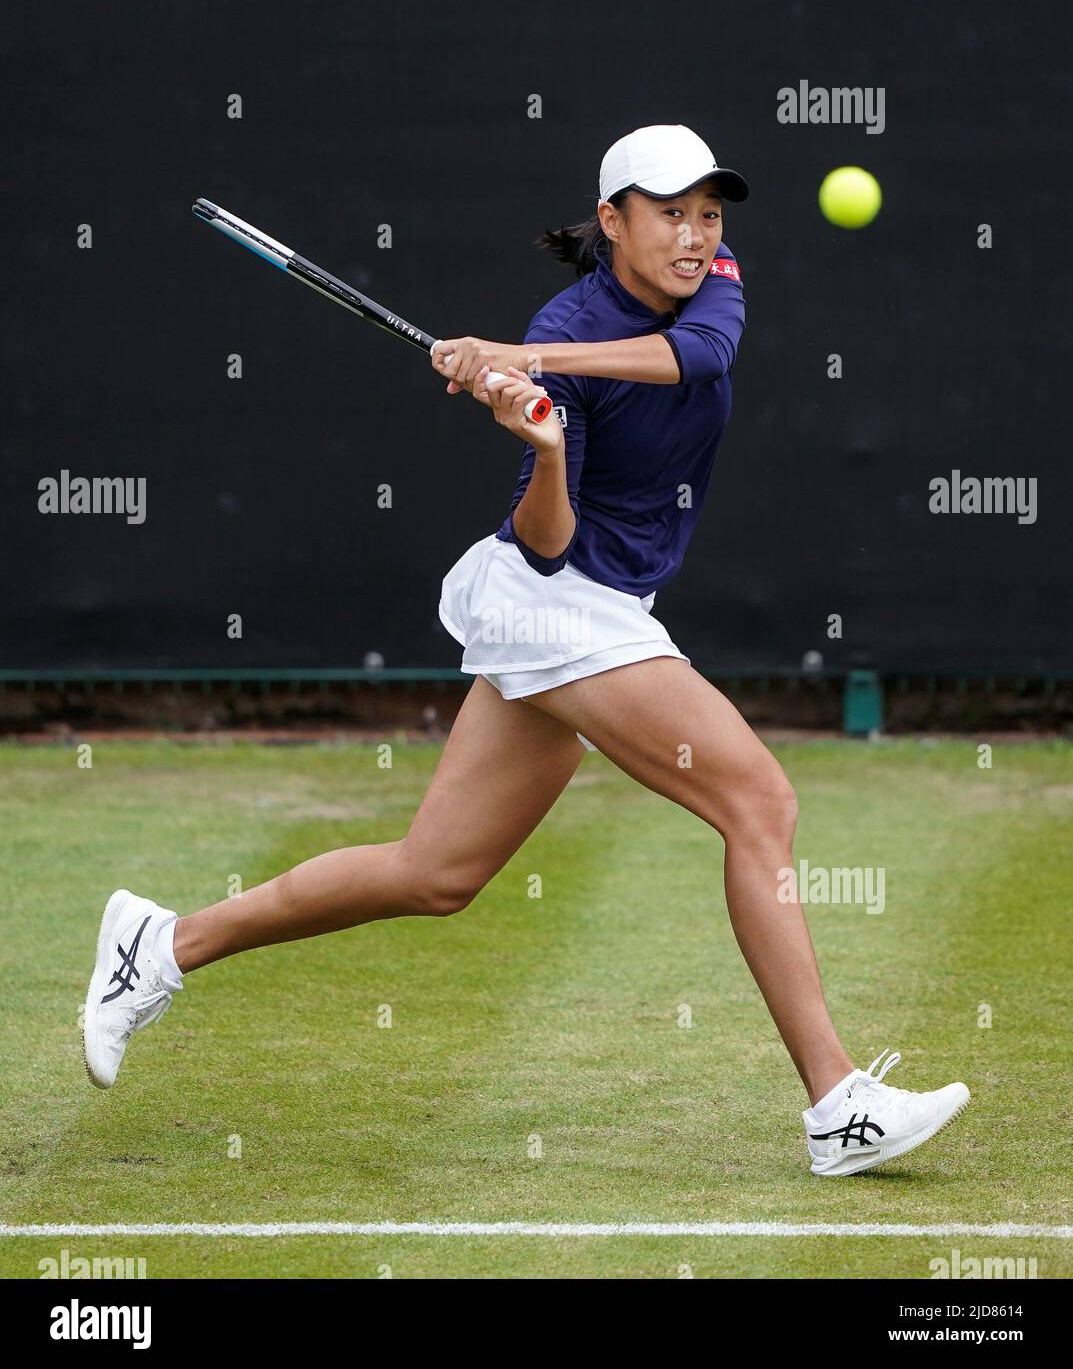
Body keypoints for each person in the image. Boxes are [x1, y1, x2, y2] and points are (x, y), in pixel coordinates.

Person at [83, 126, 969, 1176]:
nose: (694, 235)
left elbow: (700, 357)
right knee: (757, 800)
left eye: (707, 213)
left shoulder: (697, 289)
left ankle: (163, 943)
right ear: (611, 220)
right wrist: (544, 443)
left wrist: (523, 361)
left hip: (600, 603)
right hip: (554, 603)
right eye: (668, 212)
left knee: (435, 872)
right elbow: (545, 545)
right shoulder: (567, 322)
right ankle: (835, 1103)